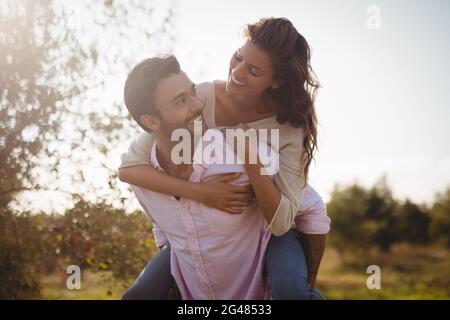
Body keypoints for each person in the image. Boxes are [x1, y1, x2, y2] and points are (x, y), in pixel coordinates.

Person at [120, 17, 330, 300]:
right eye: (238, 58)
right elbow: (132, 165)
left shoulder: (288, 129)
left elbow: (285, 220)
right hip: (212, 229)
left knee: (292, 292)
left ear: (277, 81)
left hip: (272, 231)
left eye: (253, 71)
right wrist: (201, 193)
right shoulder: (204, 97)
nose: (237, 73)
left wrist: (249, 157)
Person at [121, 55, 279, 299]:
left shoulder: (240, 155)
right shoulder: (143, 179)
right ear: (151, 121)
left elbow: (309, 212)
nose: (197, 105)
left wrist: (299, 288)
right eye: (180, 101)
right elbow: (165, 233)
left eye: (193, 91)